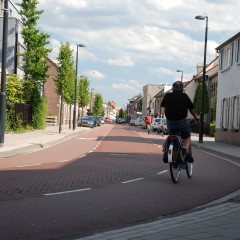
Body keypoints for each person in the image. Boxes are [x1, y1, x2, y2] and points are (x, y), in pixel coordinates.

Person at [161, 81, 199, 162]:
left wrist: (169, 118)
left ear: (173, 88)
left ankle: (168, 152)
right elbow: (191, 108)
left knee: (171, 136)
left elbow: (165, 109)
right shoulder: (184, 96)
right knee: (187, 137)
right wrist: (196, 117)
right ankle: (184, 150)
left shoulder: (167, 95)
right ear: (182, 89)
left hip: (170, 122)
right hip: (181, 122)